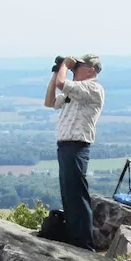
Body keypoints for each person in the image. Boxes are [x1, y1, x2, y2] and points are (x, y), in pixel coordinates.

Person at [45, 54, 105, 250]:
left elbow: (63, 83)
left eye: (78, 66)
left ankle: (84, 243)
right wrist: (56, 72)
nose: (73, 69)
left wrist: (64, 66)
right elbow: (50, 101)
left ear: (90, 70)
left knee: (77, 195)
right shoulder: (76, 91)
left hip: (77, 145)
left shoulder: (93, 88)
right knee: (69, 194)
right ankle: (74, 238)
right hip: (66, 145)